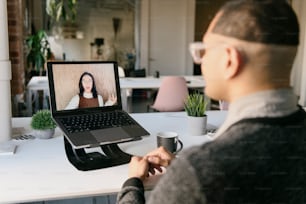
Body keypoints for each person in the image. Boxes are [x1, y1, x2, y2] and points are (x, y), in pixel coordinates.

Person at [117, 0, 306, 203]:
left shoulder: (199, 172)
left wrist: (133, 182)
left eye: (204, 50)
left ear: (229, 60)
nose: (202, 61)